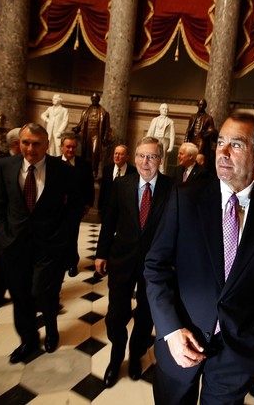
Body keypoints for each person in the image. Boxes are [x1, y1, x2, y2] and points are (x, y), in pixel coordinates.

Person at [144, 112, 254, 404]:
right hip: (180, 342)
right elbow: (155, 267)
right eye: (220, 142)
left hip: (235, 354)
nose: (222, 152)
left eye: (235, 145)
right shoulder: (184, 198)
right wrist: (171, 330)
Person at [0, 123, 79, 363]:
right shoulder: (5, 166)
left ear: (47, 145)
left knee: (43, 293)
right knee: (20, 297)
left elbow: (74, 209)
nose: (30, 148)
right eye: (25, 142)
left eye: (36, 143)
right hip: (14, 245)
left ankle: (51, 331)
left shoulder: (63, 170)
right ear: (19, 143)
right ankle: (28, 340)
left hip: (49, 246)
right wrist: (2, 235)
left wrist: (62, 237)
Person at [95, 137, 173, 389]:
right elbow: (109, 221)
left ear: (160, 160)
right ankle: (116, 357)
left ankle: (136, 354)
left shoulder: (172, 189)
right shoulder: (122, 184)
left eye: (151, 157)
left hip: (155, 265)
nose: (145, 162)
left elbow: (177, 229)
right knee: (116, 315)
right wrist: (100, 253)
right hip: (122, 260)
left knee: (146, 315)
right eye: (140, 156)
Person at [58, 134, 95, 277]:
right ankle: (58, 262)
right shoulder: (53, 163)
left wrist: (88, 203)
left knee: (72, 236)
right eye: (68, 146)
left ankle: (72, 263)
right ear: (62, 147)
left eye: (73, 147)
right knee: (58, 236)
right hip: (56, 208)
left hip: (75, 208)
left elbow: (89, 186)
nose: (71, 149)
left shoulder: (84, 164)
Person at [72, 92, 110, 177]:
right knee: (86, 153)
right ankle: (86, 169)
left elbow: (107, 128)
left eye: (96, 98)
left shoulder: (104, 113)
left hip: (97, 134)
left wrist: (105, 137)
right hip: (87, 133)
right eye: (93, 98)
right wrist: (77, 128)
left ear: (99, 99)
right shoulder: (85, 111)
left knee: (94, 152)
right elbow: (81, 123)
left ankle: (94, 170)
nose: (94, 100)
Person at [98, 144, 136, 219]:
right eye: (116, 153)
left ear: (127, 157)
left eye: (121, 154)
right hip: (107, 209)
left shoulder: (133, 172)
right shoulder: (107, 169)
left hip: (124, 212)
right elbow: (103, 189)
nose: (117, 156)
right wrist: (100, 208)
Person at [147, 103, 175, 172]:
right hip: (155, 139)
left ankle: (162, 174)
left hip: (165, 141)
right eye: (163, 109)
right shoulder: (155, 120)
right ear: (160, 110)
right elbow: (150, 131)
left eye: (166, 109)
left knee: (162, 159)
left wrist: (171, 146)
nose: (165, 110)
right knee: (153, 156)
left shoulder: (170, 122)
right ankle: (152, 172)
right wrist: (146, 142)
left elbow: (172, 135)